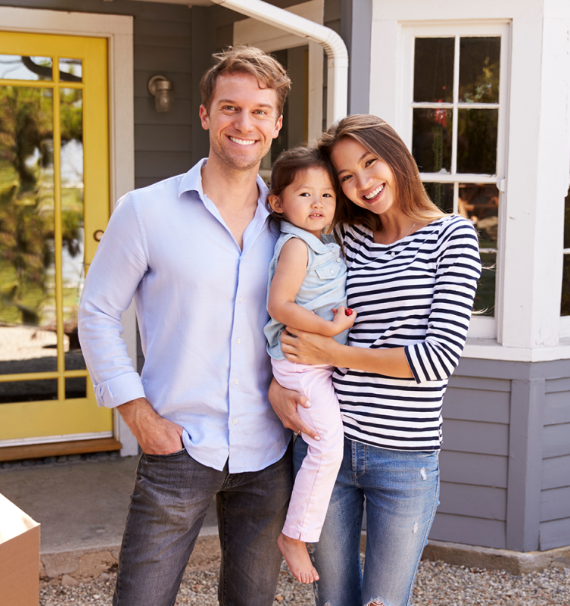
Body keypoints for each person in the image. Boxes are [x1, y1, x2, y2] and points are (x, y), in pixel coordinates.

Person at [78, 46, 316, 606]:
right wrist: (135, 412)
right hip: (177, 447)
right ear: (206, 114)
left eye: (260, 111)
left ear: (277, 124)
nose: (245, 123)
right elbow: (96, 310)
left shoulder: (292, 224)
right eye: (230, 107)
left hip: (269, 450)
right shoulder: (145, 211)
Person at [269, 114, 482, 606]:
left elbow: (436, 359)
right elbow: (283, 300)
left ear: (397, 156)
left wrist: (333, 352)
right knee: (333, 599)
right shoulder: (344, 237)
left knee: (382, 602)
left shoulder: (452, 237)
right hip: (330, 446)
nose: (362, 183)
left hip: (405, 460)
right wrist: (275, 383)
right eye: (345, 176)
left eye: (370, 163)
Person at [263, 146, 356, 584]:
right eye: (305, 194)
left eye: (327, 195)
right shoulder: (297, 246)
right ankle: (295, 536)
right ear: (278, 202)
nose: (318, 203)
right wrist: (327, 329)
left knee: (323, 442)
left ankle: (299, 532)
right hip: (301, 362)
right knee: (327, 445)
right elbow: (279, 305)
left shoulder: (325, 243)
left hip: (313, 361)